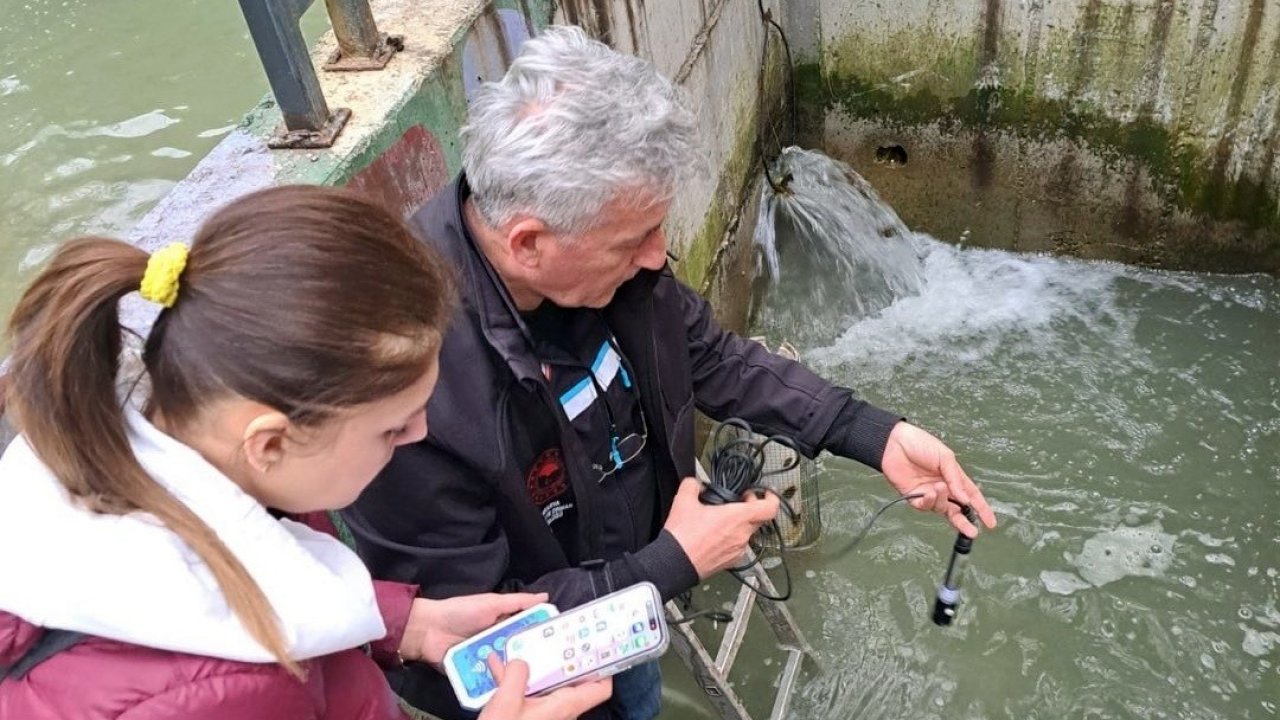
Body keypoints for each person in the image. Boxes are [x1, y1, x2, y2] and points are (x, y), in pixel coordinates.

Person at [342, 26, 998, 720]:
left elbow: (709, 357)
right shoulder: (405, 391)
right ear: (529, 242)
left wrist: (873, 434)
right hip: (537, 689)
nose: (658, 257)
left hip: (633, 603)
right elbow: (470, 626)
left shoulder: (606, 269)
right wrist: (671, 565)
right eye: (635, 240)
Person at [0, 186, 609, 719]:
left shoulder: (171, 449)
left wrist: (400, 623)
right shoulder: (221, 692)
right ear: (268, 441)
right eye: (391, 429)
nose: (420, 435)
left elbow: (275, 573)